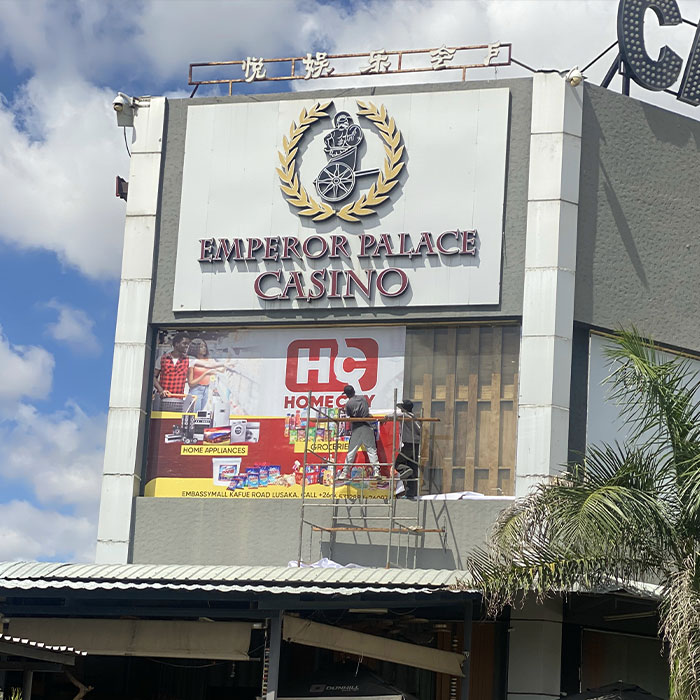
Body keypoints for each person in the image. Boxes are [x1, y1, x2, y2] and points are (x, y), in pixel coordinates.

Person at [338, 385, 381, 480]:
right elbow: (366, 411)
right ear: (354, 391)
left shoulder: (349, 404)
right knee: (372, 450)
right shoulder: (363, 398)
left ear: (347, 394)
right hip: (367, 426)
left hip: (357, 428)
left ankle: (344, 473)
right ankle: (376, 472)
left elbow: (350, 416)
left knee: (352, 451)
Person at [187, 339, 229, 411]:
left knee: (200, 413)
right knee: (195, 413)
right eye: (201, 347)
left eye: (205, 346)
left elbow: (220, 370)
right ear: (195, 348)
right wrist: (205, 374)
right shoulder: (192, 361)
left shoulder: (209, 359)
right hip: (196, 389)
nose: (204, 348)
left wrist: (227, 365)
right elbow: (191, 383)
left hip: (206, 390)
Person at [395, 399, 421, 499]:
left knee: (396, 463)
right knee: (413, 468)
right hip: (416, 445)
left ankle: (405, 469)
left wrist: (385, 418)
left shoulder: (405, 416)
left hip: (408, 444)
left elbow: (394, 416)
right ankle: (410, 493)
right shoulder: (415, 417)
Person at [153, 332, 190, 398]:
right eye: (184, 343)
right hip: (163, 398)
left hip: (178, 398)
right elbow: (153, 377)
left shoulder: (188, 360)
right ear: (176, 344)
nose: (187, 346)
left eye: (188, 344)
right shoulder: (162, 359)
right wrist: (161, 390)